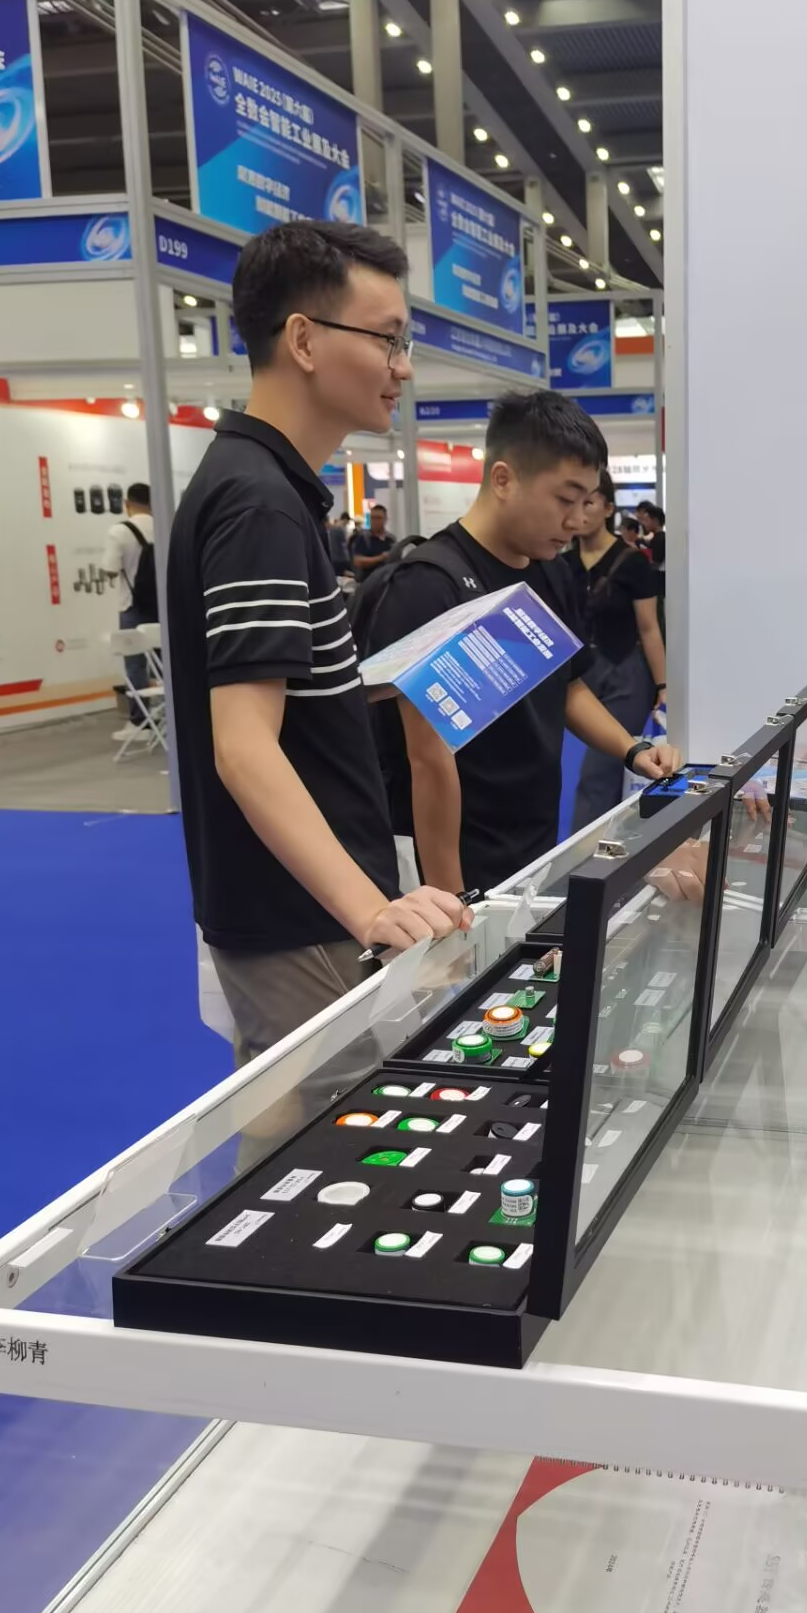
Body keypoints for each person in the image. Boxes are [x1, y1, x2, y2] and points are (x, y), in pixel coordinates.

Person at [167, 219, 470, 1070]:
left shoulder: (262, 487)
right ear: (303, 340)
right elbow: (243, 745)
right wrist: (369, 911)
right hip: (301, 915)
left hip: (297, 904)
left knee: (290, 1124)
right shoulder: (259, 502)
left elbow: (276, 693)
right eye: (388, 340)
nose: (403, 368)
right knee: (318, 1129)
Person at [360, 389, 681, 893]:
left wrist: (631, 748)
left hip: (532, 843)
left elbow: (566, 685)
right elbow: (428, 761)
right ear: (504, 479)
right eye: (564, 500)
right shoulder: (429, 586)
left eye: (586, 503)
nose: (576, 521)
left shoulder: (549, 572)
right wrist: (452, 901)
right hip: (453, 864)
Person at [567, 469, 667, 828]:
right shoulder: (560, 564)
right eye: (571, 502)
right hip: (576, 676)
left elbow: (649, 628)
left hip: (625, 673)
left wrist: (663, 686)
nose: (579, 512)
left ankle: (588, 856)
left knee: (599, 773)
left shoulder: (633, 562)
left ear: (608, 508)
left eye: (589, 502)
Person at [101, 480, 155, 739]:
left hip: (133, 606)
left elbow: (110, 569)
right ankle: (171, 719)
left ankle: (140, 723)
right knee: (166, 664)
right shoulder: (166, 526)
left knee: (135, 664)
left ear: (127, 504)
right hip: (163, 607)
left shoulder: (120, 531)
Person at [350, 502, 395, 581]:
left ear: (385, 519)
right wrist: (380, 558)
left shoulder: (391, 539)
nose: (375, 521)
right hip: (367, 582)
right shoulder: (363, 537)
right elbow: (357, 561)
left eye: (379, 518)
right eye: (373, 518)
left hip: (387, 582)